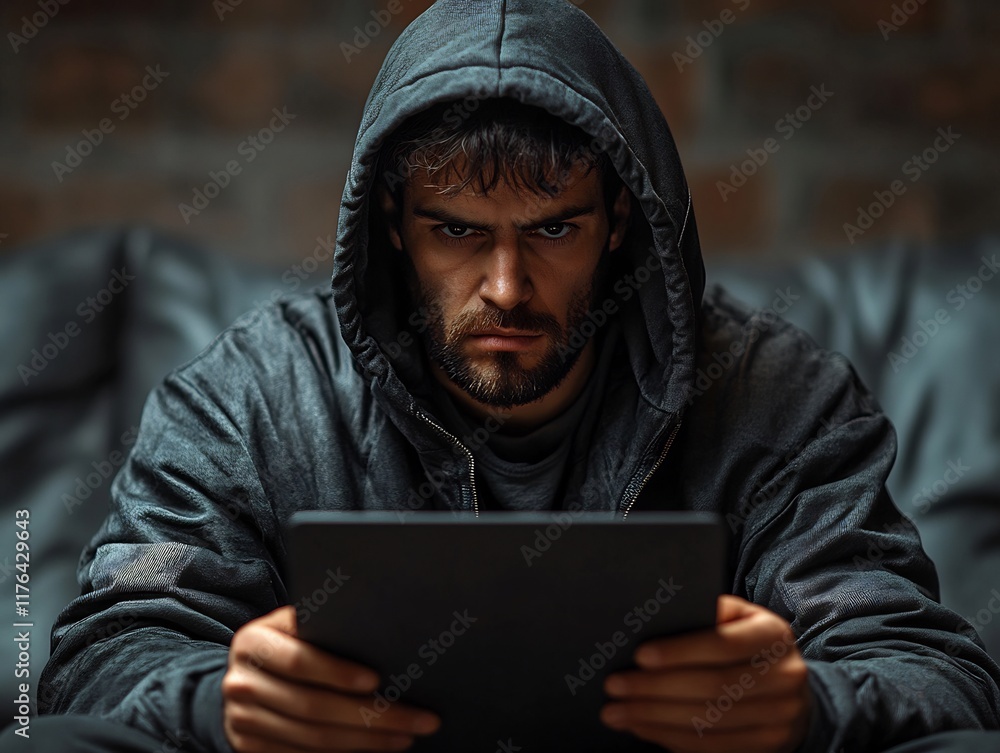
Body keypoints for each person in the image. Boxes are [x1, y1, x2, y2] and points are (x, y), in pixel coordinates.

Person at [15, 0, 1000, 751]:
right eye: (455, 232)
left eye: (553, 230)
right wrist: (216, 700)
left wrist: (805, 706)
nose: (505, 287)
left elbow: (937, 674)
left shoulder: (784, 400)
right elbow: (104, 641)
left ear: (618, 222)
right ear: (393, 228)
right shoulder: (241, 401)